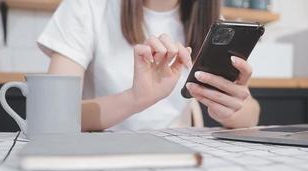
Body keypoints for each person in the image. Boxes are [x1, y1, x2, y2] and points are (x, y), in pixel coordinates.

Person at [38, 0, 260, 131]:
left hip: (180, 155)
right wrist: (135, 98)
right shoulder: (87, 6)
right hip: (102, 153)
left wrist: (232, 109)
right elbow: (53, 115)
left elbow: (251, 115)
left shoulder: (208, 19)